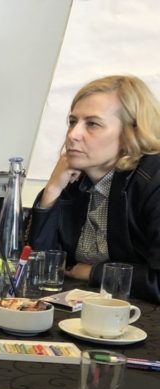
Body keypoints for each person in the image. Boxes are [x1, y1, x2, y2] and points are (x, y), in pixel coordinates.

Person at [29, 75, 160, 303]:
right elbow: (39, 268)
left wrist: (94, 272)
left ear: (132, 133)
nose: (72, 135)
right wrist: (51, 192)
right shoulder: (75, 177)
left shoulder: (153, 181)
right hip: (87, 315)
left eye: (92, 124)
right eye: (72, 121)